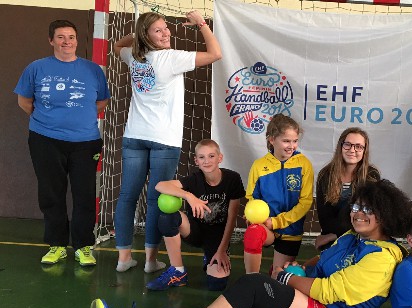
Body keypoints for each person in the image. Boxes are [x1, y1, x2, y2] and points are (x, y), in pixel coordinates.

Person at [91, 180, 412, 308]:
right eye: (356, 207)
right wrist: (302, 267)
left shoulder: (384, 257)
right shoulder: (352, 238)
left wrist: (287, 280)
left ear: (385, 215)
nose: (358, 214)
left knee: (253, 284)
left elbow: (329, 291)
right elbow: (323, 260)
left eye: (367, 210)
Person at [112, 11, 222, 273]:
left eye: (165, 29)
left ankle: (124, 259)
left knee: (127, 197)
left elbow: (118, 45)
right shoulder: (171, 58)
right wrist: (202, 24)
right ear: (146, 35)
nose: (166, 33)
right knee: (155, 199)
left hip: (135, 137)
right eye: (158, 30)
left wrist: (138, 36)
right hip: (163, 139)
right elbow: (216, 53)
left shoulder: (133, 56)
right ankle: (150, 260)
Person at [14, 20, 110, 267]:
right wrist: (50, 122)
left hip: (86, 143)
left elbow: (100, 103)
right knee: (51, 193)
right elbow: (25, 102)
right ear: (51, 41)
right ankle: (57, 245)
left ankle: (83, 247)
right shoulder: (36, 68)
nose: (67, 42)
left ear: (77, 41)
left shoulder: (92, 70)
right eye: (60, 37)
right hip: (45, 140)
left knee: (85, 195)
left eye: (71, 37)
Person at [145, 139, 245, 291]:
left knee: (217, 285)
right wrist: (189, 196)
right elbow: (160, 185)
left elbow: (232, 218)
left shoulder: (232, 179)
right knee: (167, 217)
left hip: (217, 238)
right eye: (202, 157)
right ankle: (178, 271)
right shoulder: (194, 180)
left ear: (220, 158)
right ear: (196, 160)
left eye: (211, 156)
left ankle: (210, 256)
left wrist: (222, 250)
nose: (207, 161)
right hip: (194, 231)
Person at [242, 114, 314, 273]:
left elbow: (305, 202)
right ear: (272, 139)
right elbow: (252, 198)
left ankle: (275, 269)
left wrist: (276, 222)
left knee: (280, 280)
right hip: (265, 226)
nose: (292, 146)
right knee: (253, 233)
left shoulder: (304, 164)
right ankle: (251, 280)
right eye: (286, 141)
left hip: (290, 230)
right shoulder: (259, 166)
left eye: (295, 141)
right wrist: (252, 215)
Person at [315, 127, 380, 252]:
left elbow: (368, 218)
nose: (352, 150)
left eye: (358, 146)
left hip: (362, 235)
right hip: (332, 237)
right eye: (348, 145)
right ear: (340, 146)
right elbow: (325, 218)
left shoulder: (371, 176)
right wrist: (335, 236)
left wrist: (335, 235)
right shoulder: (326, 175)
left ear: (364, 151)